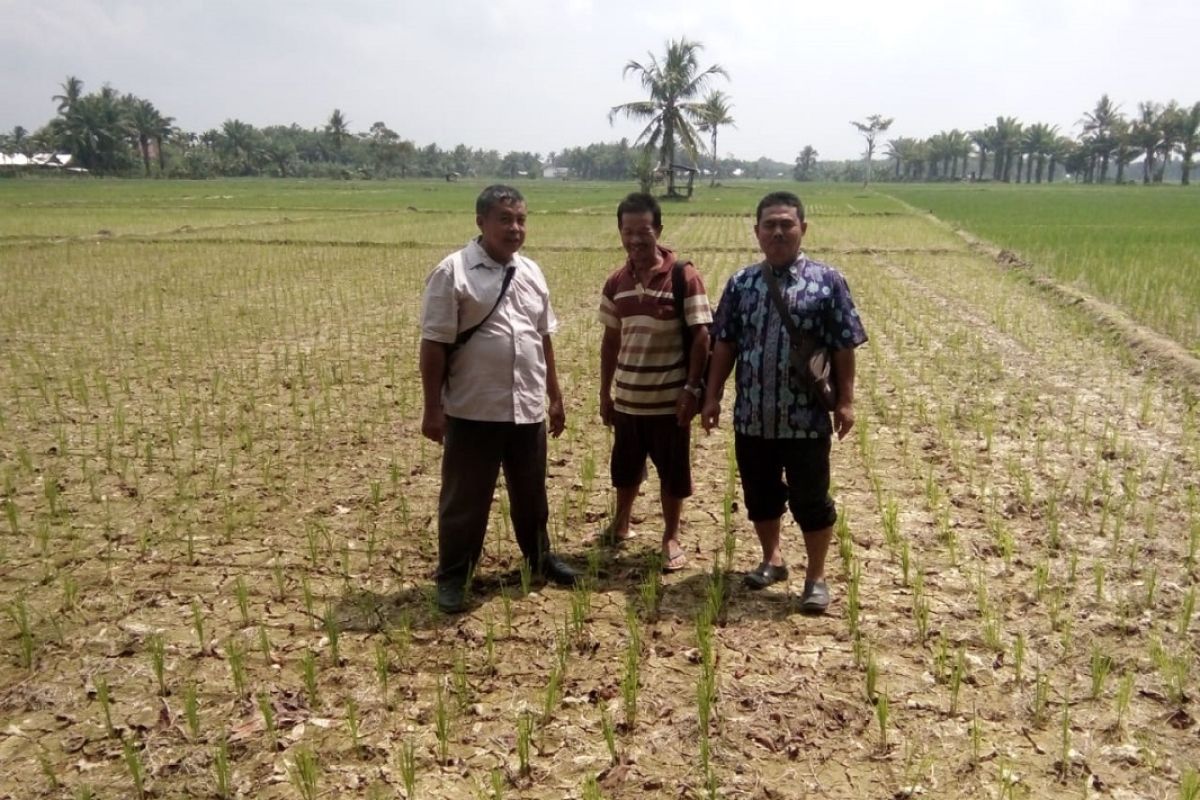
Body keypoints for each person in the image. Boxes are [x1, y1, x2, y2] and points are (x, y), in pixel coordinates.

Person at [701, 191, 868, 613]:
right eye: (769, 225)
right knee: (760, 495)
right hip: (753, 415)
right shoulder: (741, 283)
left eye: (786, 224)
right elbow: (725, 343)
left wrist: (845, 402)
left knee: (812, 499)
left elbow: (843, 346)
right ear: (756, 232)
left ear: (803, 229)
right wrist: (713, 394)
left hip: (805, 419)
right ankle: (772, 559)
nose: (778, 232)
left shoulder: (828, 282)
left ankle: (816, 577)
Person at [419, 184, 578, 614]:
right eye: (505, 219)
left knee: (532, 494)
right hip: (474, 409)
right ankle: (453, 576)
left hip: (526, 406)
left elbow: (541, 337)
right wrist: (432, 408)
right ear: (481, 222)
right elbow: (434, 344)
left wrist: (555, 397)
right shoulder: (453, 272)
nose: (515, 228)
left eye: (521, 219)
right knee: (465, 500)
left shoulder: (532, 271)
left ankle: (540, 558)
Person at [597, 193, 712, 571]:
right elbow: (611, 340)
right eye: (627, 231)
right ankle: (621, 523)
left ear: (658, 230)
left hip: (669, 403)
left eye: (643, 231)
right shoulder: (617, 282)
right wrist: (605, 392)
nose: (635, 239)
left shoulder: (683, 276)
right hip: (628, 400)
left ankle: (671, 535)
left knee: (672, 473)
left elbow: (701, 336)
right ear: (619, 233)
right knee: (625, 469)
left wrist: (692, 389)